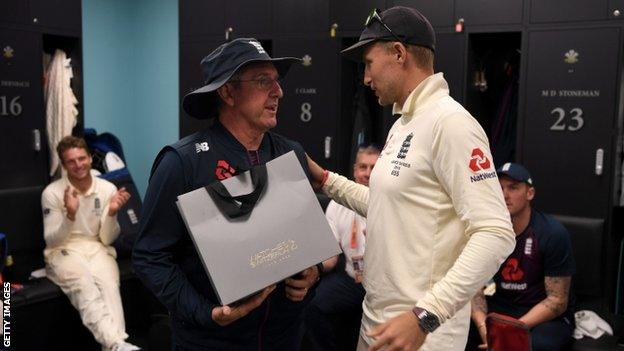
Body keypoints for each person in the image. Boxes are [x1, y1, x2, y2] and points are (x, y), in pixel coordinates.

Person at [306, 6, 516, 351]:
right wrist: (327, 181)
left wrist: (426, 315)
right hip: (379, 321)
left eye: (369, 64)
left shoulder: (451, 124)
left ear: (399, 53)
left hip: (421, 333)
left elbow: (495, 233)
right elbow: (389, 206)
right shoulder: (403, 124)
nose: (365, 79)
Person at [132, 38, 323, 350]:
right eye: (264, 81)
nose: (279, 92)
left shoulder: (291, 154)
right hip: (211, 342)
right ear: (227, 92)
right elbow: (149, 256)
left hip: (284, 337)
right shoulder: (182, 162)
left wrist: (312, 273)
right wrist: (205, 313)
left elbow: (306, 242)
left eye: (277, 81)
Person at [41, 136, 138, 351]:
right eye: (71, 161)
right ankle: (116, 344)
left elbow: (107, 238)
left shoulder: (107, 189)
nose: (78, 165)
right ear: (64, 165)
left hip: (97, 246)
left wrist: (112, 212)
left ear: (89, 158)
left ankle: (116, 345)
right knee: (85, 285)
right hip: (63, 250)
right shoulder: (52, 193)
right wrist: (70, 215)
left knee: (109, 286)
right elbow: (52, 240)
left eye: (82, 158)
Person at [468, 162, 575, 351]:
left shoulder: (552, 233)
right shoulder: (483, 233)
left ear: (530, 193)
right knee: (451, 329)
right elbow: (474, 289)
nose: (504, 194)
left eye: (513, 187)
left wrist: (511, 330)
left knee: (540, 345)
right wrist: (484, 326)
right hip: (497, 312)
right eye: (499, 188)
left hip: (540, 315)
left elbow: (557, 301)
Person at [305, 145, 380, 351]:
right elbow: (330, 257)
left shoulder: (393, 203)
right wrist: (312, 269)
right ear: (355, 170)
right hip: (353, 280)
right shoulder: (337, 205)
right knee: (313, 303)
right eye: (363, 167)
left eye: (374, 167)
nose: (368, 173)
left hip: (385, 283)